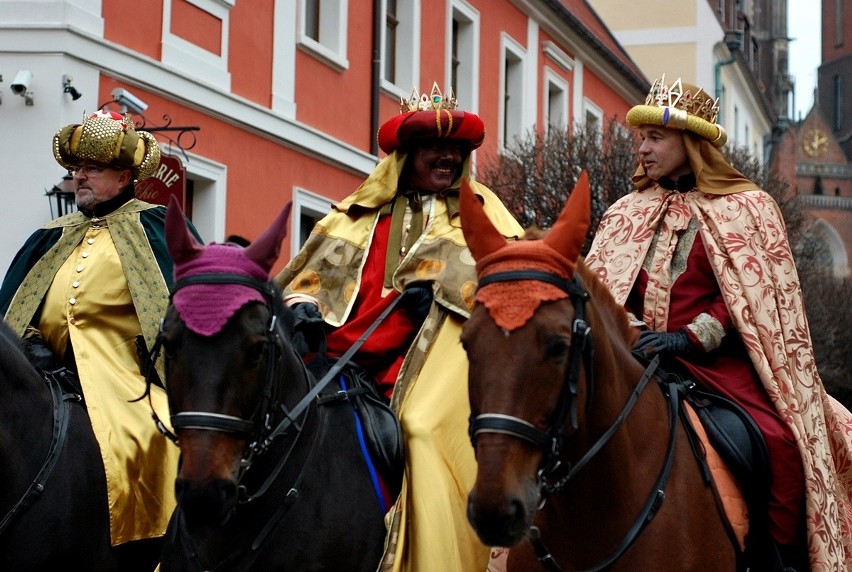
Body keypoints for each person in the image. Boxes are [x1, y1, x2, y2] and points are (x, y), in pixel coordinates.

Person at [585, 75, 852, 570]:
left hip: (720, 366)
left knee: (781, 444)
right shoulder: (625, 212)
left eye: (655, 138)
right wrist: (632, 333)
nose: (642, 149)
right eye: (640, 138)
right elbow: (604, 292)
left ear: (692, 142)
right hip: (639, 358)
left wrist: (688, 338)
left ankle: (780, 559)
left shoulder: (749, 209)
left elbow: (752, 301)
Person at [273, 83, 524, 572]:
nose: (447, 157)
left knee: (421, 431)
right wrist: (303, 306)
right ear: (406, 155)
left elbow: (506, 296)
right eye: (435, 148)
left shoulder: (487, 217)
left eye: (456, 149)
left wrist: (441, 294)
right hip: (341, 359)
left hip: (438, 359)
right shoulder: (359, 214)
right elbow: (309, 279)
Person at [0, 110, 200, 571]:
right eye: (76, 168)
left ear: (125, 176)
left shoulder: (158, 228)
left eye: (92, 168)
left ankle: (156, 555)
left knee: (152, 442)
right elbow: (14, 308)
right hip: (44, 373)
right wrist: (28, 344)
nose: (79, 176)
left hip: (130, 382)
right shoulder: (48, 237)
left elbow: (185, 314)